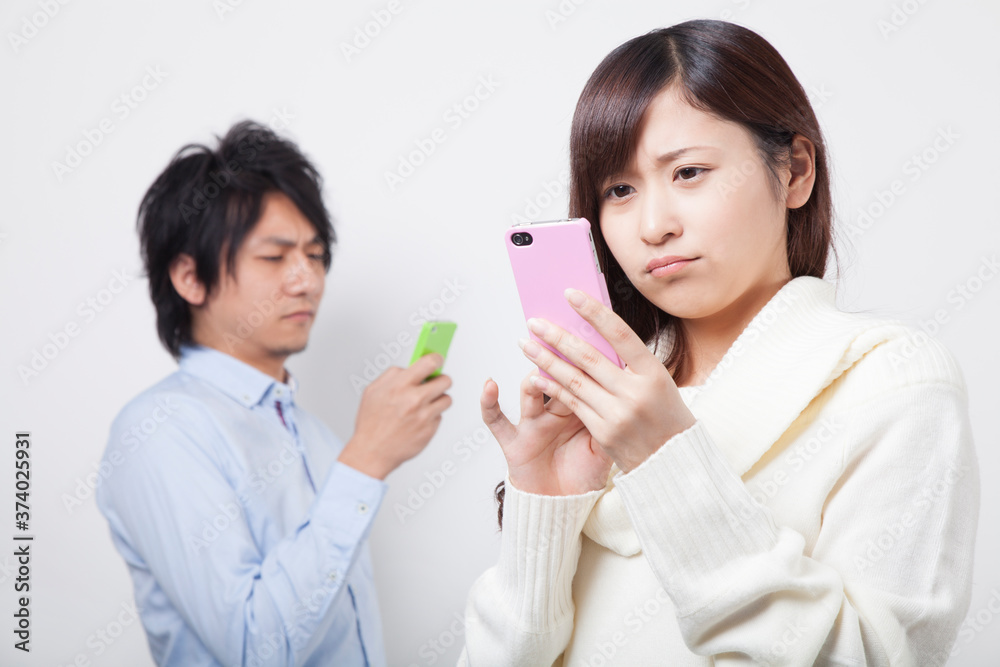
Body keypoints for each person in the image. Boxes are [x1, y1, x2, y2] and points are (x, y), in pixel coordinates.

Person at [459, 20, 978, 666]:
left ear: (795, 171)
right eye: (620, 190)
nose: (653, 225)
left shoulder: (893, 382)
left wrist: (666, 457)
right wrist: (546, 503)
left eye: (689, 172)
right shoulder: (595, 414)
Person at [96, 121, 452, 666]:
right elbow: (252, 648)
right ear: (190, 278)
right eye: (274, 256)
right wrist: (367, 459)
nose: (306, 279)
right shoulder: (159, 431)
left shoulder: (314, 435)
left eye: (315, 254)